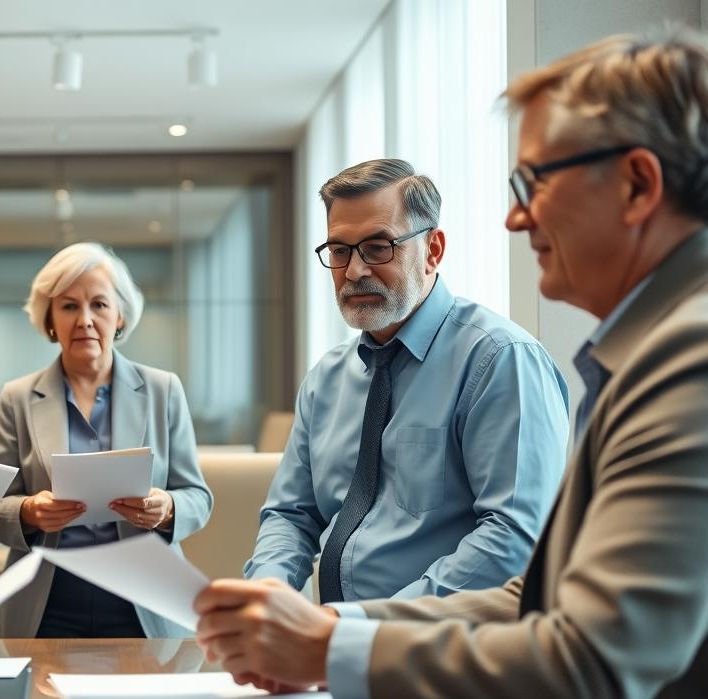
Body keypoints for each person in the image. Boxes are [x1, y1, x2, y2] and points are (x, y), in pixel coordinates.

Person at [195, 26, 708, 699]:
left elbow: (590, 666)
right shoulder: (679, 343)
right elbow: (537, 599)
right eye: (339, 251)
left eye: (534, 182)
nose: (515, 216)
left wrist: (332, 645)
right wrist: (324, 630)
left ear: (639, 184)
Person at [244, 158, 569, 602]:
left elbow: (514, 538)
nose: (355, 271)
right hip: (334, 651)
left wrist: (371, 629)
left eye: (378, 247)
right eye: (340, 251)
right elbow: (291, 514)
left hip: (443, 652)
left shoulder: (500, 360)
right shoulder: (327, 379)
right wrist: (267, 596)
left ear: (433, 250)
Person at [0, 243, 212, 638]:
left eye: (99, 305)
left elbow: (198, 495)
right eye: (69, 306)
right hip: (47, 603)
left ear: (120, 316)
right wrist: (28, 511)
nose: (85, 320)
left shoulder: (163, 389)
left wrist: (167, 507)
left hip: (145, 600)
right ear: (49, 320)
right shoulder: (17, 397)